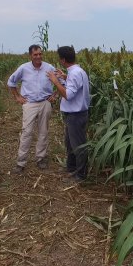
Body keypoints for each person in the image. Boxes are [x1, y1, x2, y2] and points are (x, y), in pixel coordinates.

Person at [8, 45, 58, 173]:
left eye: (40, 54)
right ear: (30, 55)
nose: (38, 57)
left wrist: (54, 95)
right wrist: (17, 97)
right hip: (29, 104)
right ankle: (21, 162)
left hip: (45, 103)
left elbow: (61, 82)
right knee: (27, 132)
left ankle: (40, 158)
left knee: (43, 131)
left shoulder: (49, 67)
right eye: (35, 54)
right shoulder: (24, 68)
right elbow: (11, 82)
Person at [47, 46, 90, 181]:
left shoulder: (75, 73)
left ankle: (81, 175)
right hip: (75, 115)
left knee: (78, 146)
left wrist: (55, 81)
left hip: (76, 116)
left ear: (63, 59)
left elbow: (68, 95)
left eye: (60, 58)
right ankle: (71, 168)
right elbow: (75, 87)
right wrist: (65, 77)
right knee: (70, 143)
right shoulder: (77, 71)